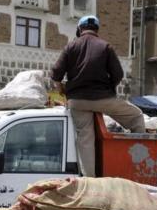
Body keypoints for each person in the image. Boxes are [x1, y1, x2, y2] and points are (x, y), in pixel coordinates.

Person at [51, 15, 145, 177]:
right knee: (136, 116)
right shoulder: (105, 46)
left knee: (85, 138)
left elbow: (56, 74)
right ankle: (139, 166)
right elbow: (118, 74)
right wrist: (109, 89)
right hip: (103, 99)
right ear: (97, 29)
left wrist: (62, 90)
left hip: (78, 102)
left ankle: (90, 180)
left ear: (79, 29)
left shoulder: (71, 46)